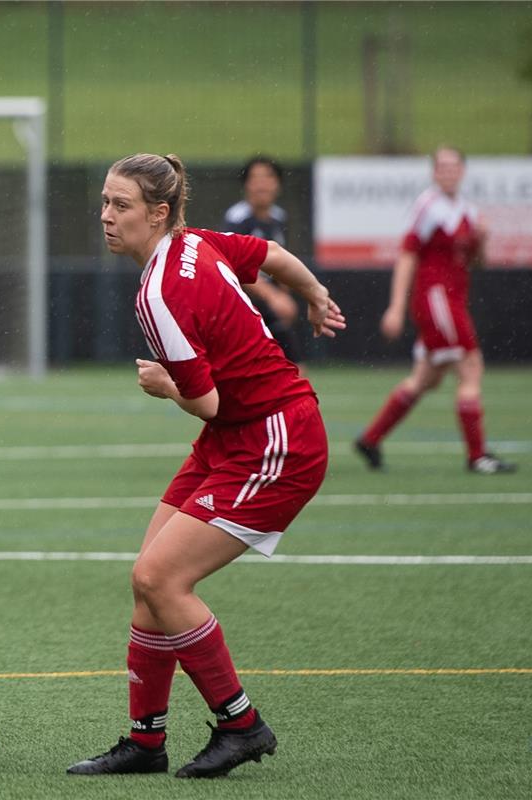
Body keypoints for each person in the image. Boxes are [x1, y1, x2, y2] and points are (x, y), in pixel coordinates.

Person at [67, 154, 345, 779]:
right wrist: (315, 292)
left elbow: (206, 400)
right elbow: (270, 256)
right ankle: (145, 743)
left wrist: (165, 385)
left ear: (158, 213)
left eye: (122, 206)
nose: (107, 217)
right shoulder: (195, 244)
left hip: (276, 438)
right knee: (148, 580)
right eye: (105, 203)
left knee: (164, 580)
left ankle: (241, 725)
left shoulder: (160, 292)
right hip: (233, 436)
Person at [354, 145, 515, 475]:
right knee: (470, 366)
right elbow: (407, 255)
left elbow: (478, 263)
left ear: (463, 171)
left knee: (427, 378)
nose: (447, 172)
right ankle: (478, 456)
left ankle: (370, 439)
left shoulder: (468, 212)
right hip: (436, 298)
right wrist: (396, 307)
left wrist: (482, 239)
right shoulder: (429, 206)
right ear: (433, 172)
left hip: (454, 299)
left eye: (453, 166)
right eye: (441, 167)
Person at [221, 156, 303, 369]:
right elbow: (235, 268)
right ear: (246, 185)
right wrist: (273, 297)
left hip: (271, 307)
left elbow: (283, 261)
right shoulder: (237, 219)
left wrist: (284, 296)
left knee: (291, 369)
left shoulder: (279, 218)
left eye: (268, 177)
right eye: (255, 178)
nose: (261, 184)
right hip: (246, 305)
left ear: (277, 184)